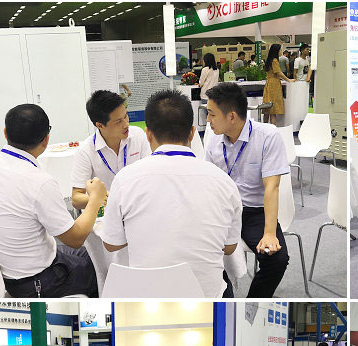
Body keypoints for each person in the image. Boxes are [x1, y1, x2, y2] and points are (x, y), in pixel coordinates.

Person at [0, 103, 102, 297]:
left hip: (12, 273)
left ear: (5, 133)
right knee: (102, 267)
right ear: (46, 140)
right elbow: (75, 239)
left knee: (92, 253)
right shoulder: (41, 182)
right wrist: (95, 198)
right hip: (39, 282)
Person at [100, 89, 241, 297]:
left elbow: (112, 244)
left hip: (147, 298)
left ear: (148, 134)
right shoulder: (225, 183)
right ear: (192, 133)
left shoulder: (125, 180)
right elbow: (229, 248)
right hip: (206, 299)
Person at [205, 83, 291, 299]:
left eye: (212, 114)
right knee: (203, 253)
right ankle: (226, 302)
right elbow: (208, 182)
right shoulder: (213, 140)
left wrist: (269, 233)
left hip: (255, 211)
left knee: (277, 260)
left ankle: (251, 305)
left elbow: (272, 186)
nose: (208, 120)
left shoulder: (267, 136)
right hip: (222, 210)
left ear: (231, 116)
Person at [70, 89, 150, 211]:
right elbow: (76, 199)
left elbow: (149, 175)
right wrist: (102, 199)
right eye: (118, 122)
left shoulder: (138, 136)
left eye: (126, 116)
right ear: (100, 125)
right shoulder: (85, 151)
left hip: (137, 207)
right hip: (106, 213)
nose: (126, 124)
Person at [263, 44, 291, 125]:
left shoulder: (269, 60)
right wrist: (288, 80)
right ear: (276, 51)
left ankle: (264, 128)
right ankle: (273, 130)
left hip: (268, 83)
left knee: (267, 109)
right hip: (274, 84)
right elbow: (278, 72)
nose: (281, 52)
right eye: (280, 50)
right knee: (273, 110)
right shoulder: (275, 60)